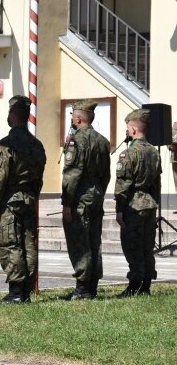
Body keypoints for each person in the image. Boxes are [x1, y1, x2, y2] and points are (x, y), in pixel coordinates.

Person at [0, 96, 46, 304]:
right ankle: (25, 290)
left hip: (10, 201)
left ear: (12, 115)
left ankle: (15, 294)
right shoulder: (37, 145)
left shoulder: (7, 144)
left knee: (11, 243)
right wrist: (33, 196)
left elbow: (0, 176)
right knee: (28, 243)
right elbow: (39, 176)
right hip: (29, 200)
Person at [60, 100, 111, 300]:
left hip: (80, 198)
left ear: (78, 118)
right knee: (94, 242)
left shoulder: (77, 140)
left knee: (79, 241)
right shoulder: (102, 140)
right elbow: (106, 174)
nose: (72, 119)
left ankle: (82, 289)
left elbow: (72, 174)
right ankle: (92, 286)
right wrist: (98, 192)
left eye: (73, 116)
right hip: (96, 195)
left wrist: (66, 203)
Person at [115, 109, 161, 297]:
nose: (126, 131)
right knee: (147, 246)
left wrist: (119, 209)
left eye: (127, 127)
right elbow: (156, 184)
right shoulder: (154, 152)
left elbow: (123, 184)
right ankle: (146, 285)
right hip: (150, 204)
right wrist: (154, 203)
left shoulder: (129, 153)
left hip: (133, 205)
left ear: (133, 129)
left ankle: (134, 284)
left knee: (132, 246)